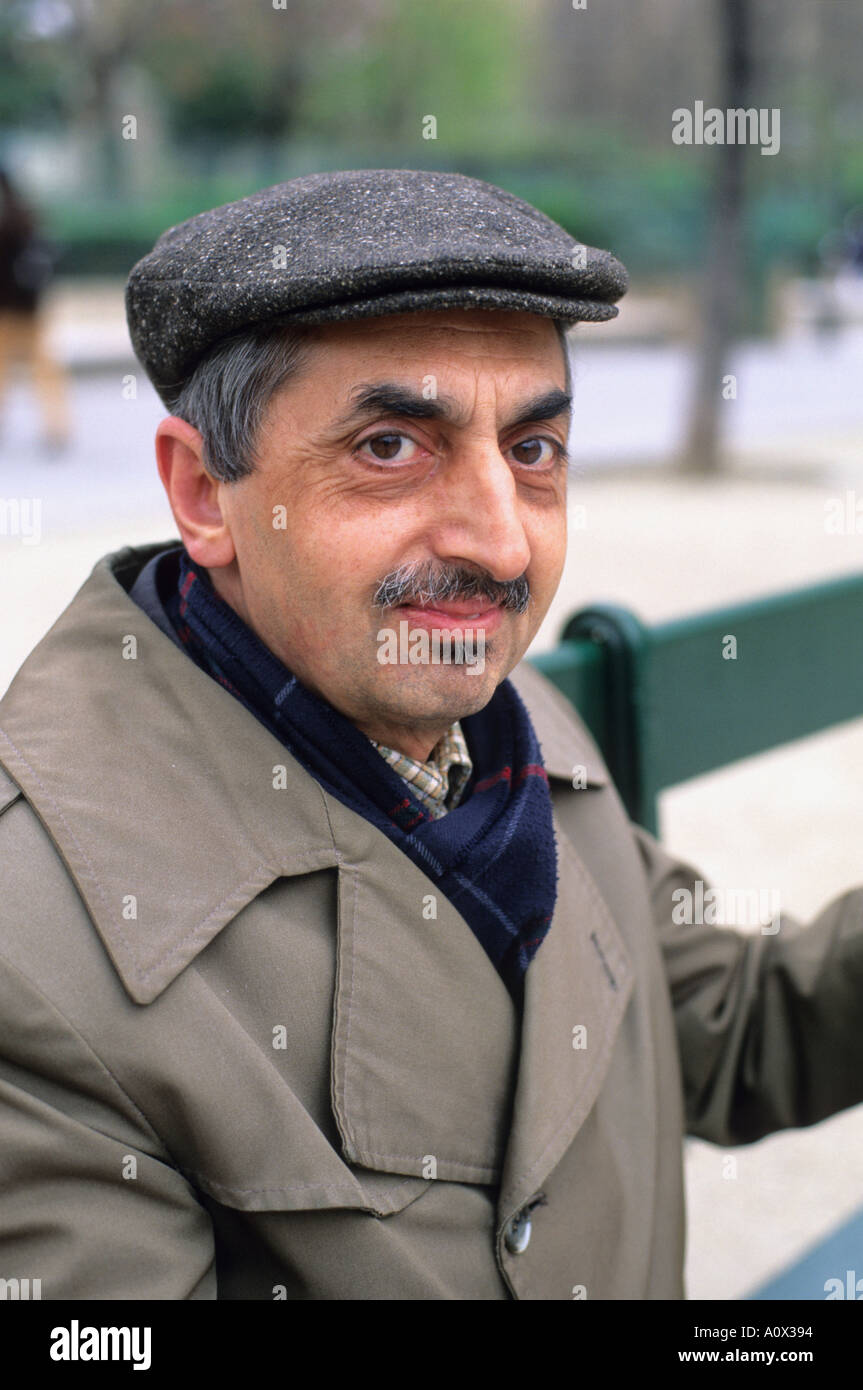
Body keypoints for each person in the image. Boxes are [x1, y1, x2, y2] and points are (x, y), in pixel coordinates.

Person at [0, 169, 861, 1301]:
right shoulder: (37, 953)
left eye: (533, 449)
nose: (500, 545)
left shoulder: (495, 719)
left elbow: (725, 1027)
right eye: (393, 446)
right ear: (204, 493)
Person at [0, 168, 70, 451]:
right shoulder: (26, 216)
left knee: (6, 369)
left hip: (7, 308)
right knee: (44, 371)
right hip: (32, 307)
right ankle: (56, 426)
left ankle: (55, 426)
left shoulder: (7, 222)